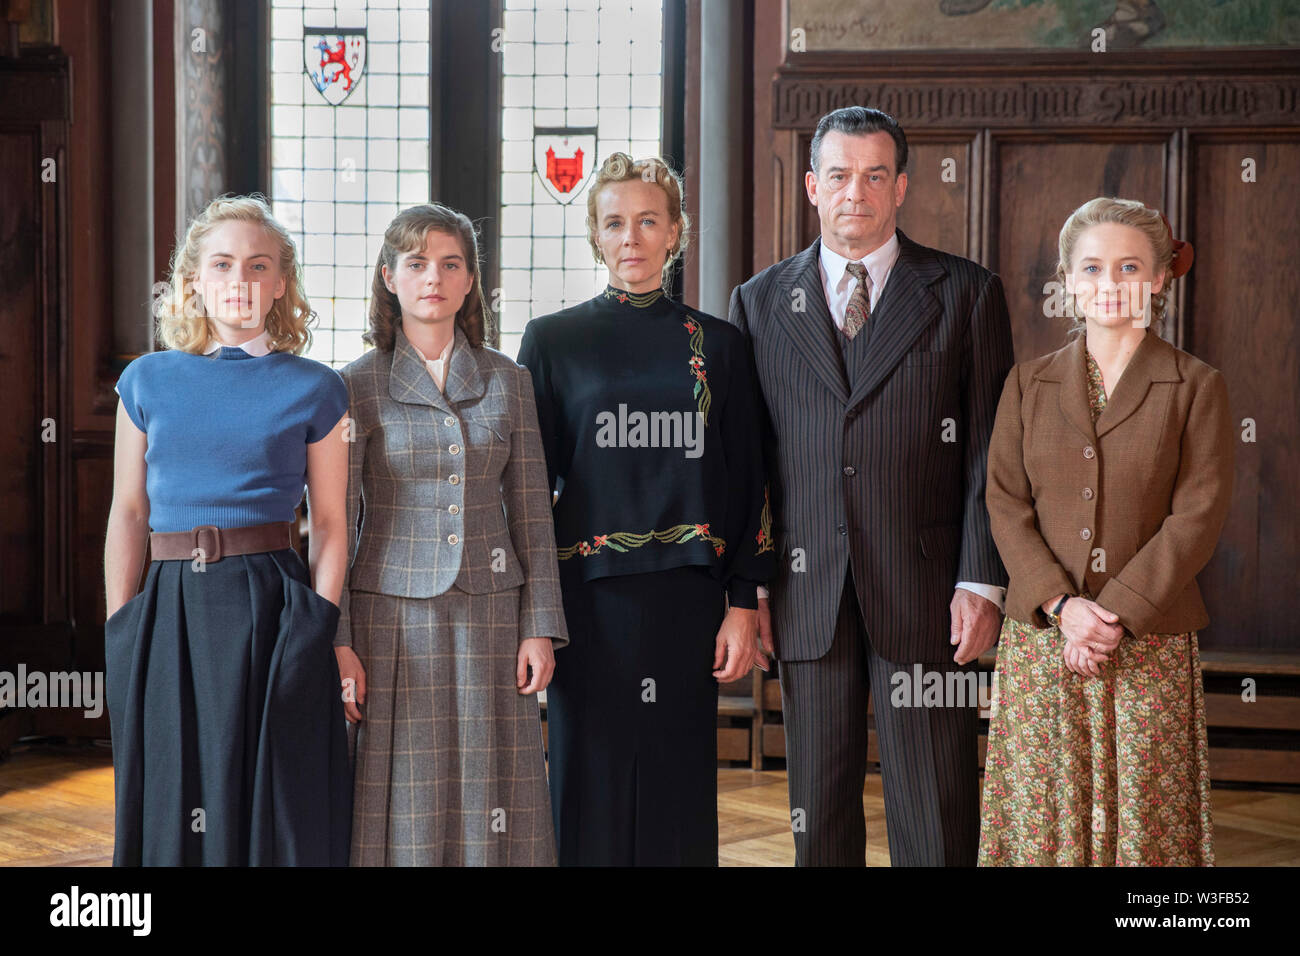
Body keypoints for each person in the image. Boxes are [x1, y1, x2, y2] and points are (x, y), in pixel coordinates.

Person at [728, 106, 1015, 866]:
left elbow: (993, 451)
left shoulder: (966, 293)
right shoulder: (758, 304)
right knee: (816, 813)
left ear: (902, 188)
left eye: (875, 175)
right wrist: (748, 587)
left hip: (930, 594)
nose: (857, 191)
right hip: (803, 589)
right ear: (813, 188)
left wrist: (982, 583)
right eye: (840, 175)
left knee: (938, 804)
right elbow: (745, 461)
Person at [517, 153, 776, 866]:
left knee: (675, 778)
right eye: (614, 223)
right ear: (596, 237)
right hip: (586, 599)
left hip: (688, 597)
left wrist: (743, 601)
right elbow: (529, 490)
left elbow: (749, 480)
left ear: (675, 233)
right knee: (586, 779)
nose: (630, 237)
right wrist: (533, 612)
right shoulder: (551, 341)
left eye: (647, 221)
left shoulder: (719, 346)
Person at [979, 197, 1231, 866]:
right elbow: (1005, 502)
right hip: (1044, 639)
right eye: (1091, 268)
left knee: (1146, 817)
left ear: (1157, 279)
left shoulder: (1195, 386)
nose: (1109, 284)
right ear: (1068, 279)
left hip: (1146, 640)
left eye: (1128, 267)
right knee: (1045, 814)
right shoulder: (1027, 384)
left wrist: (1110, 613)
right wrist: (1064, 607)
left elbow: (1198, 515)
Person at [104, 194, 352, 865]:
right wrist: (122, 624)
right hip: (166, 605)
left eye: (257, 265)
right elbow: (128, 511)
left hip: (271, 602)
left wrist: (318, 623)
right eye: (221, 264)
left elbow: (329, 522)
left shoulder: (317, 387)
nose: (238, 280)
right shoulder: (145, 381)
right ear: (193, 280)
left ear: (280, 284)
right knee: (171, 783)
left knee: (273, 784)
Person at [334, 203, 567, 866]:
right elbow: (335, 525)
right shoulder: (355, 385)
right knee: (404, 786)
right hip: (389, 618)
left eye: (450, 264)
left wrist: (540, 626)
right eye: (416, 264)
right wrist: (340, 639)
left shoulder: (509, 380)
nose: (432, 277)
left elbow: (531, 511)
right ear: (389, 277)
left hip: (493, 612)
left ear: (469, 282)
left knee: (492, 778)